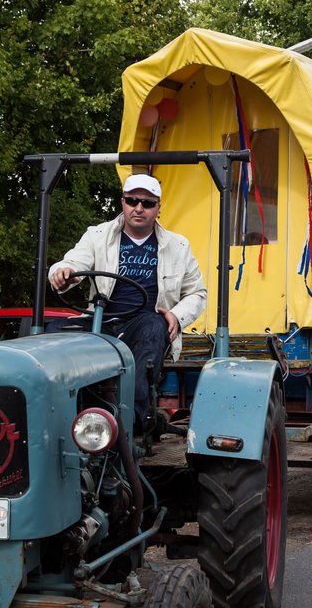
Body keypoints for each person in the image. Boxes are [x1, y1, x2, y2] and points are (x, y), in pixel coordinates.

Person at [48, 174, 207, 430]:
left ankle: (130, 420)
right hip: (101, 317)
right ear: (123, 202)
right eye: (132, 200)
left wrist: (177, 315)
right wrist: (63, 273)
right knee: (53, 334)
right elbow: (73, 262)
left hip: (143, 319)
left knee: (154, 328)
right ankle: (66, 420)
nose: (139, 208)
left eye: (147, 203)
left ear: (158, 208)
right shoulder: (97, 235)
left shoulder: (177, 245)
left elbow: (197, 293)